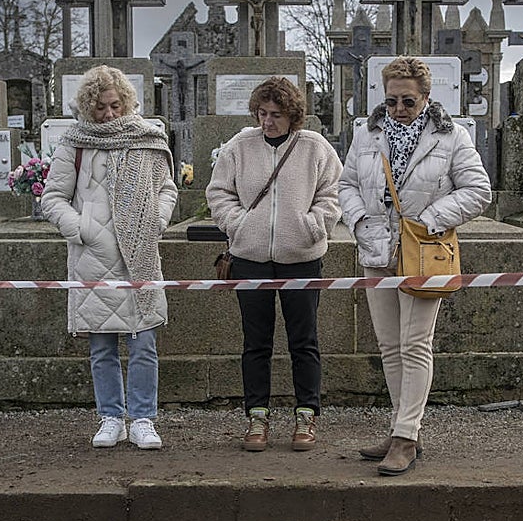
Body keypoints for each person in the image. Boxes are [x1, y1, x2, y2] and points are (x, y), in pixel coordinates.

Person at [338, 56, 491, 476]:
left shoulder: (450, 136)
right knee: (389, 345)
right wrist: (360, 221)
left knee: (415, 344)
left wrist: (430, 220)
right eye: (391, 101)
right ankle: (401, 428)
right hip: (377, 251)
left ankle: (406, 436)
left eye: (408, 101)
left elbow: (478, 190)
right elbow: (347, 184)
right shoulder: (368, 134)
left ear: (426, 97)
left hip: (424, 252)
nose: (399, 109)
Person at [41, 66, 179, 450]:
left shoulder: (147, 139)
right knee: (101, 347)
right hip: (93, 256)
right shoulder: (75, 143)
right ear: (88, 107)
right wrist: (81, 229)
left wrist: (156, 221)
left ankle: (143, 419)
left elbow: (166, 190)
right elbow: (53, 198)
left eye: (115, 105)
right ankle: (111, 418)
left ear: (127, 102)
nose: (109, 114)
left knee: (143, 344)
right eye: (100, 107)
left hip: (140, 255)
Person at [206, 77, 342, 453]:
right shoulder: (239, 147)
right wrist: (238, 224)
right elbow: (219, 192)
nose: (267, 121)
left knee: (304, 340)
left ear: (292, 116)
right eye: (262, 113)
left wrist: (313, 226)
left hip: (301, 257)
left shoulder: (314, 147)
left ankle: (306, 414)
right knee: (255, 342)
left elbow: (332, 192)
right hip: (250, 258)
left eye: (276, 115)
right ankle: (257, 416)